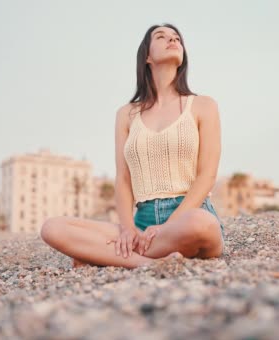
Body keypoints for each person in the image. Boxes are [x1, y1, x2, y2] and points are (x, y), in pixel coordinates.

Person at [41, 23, 225, 268]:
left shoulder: (203, 105)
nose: (172, 40)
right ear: (147, 56)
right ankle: (146, 262)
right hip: (142, 222)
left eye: (177, 38)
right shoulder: (126, 114)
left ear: (182, 57)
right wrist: (127, 229)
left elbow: (207, 175)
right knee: (53, 228)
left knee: (201, 225)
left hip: (189, 214)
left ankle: (110, 256)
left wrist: (167, 228)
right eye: (161, 37)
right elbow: (123, 179)